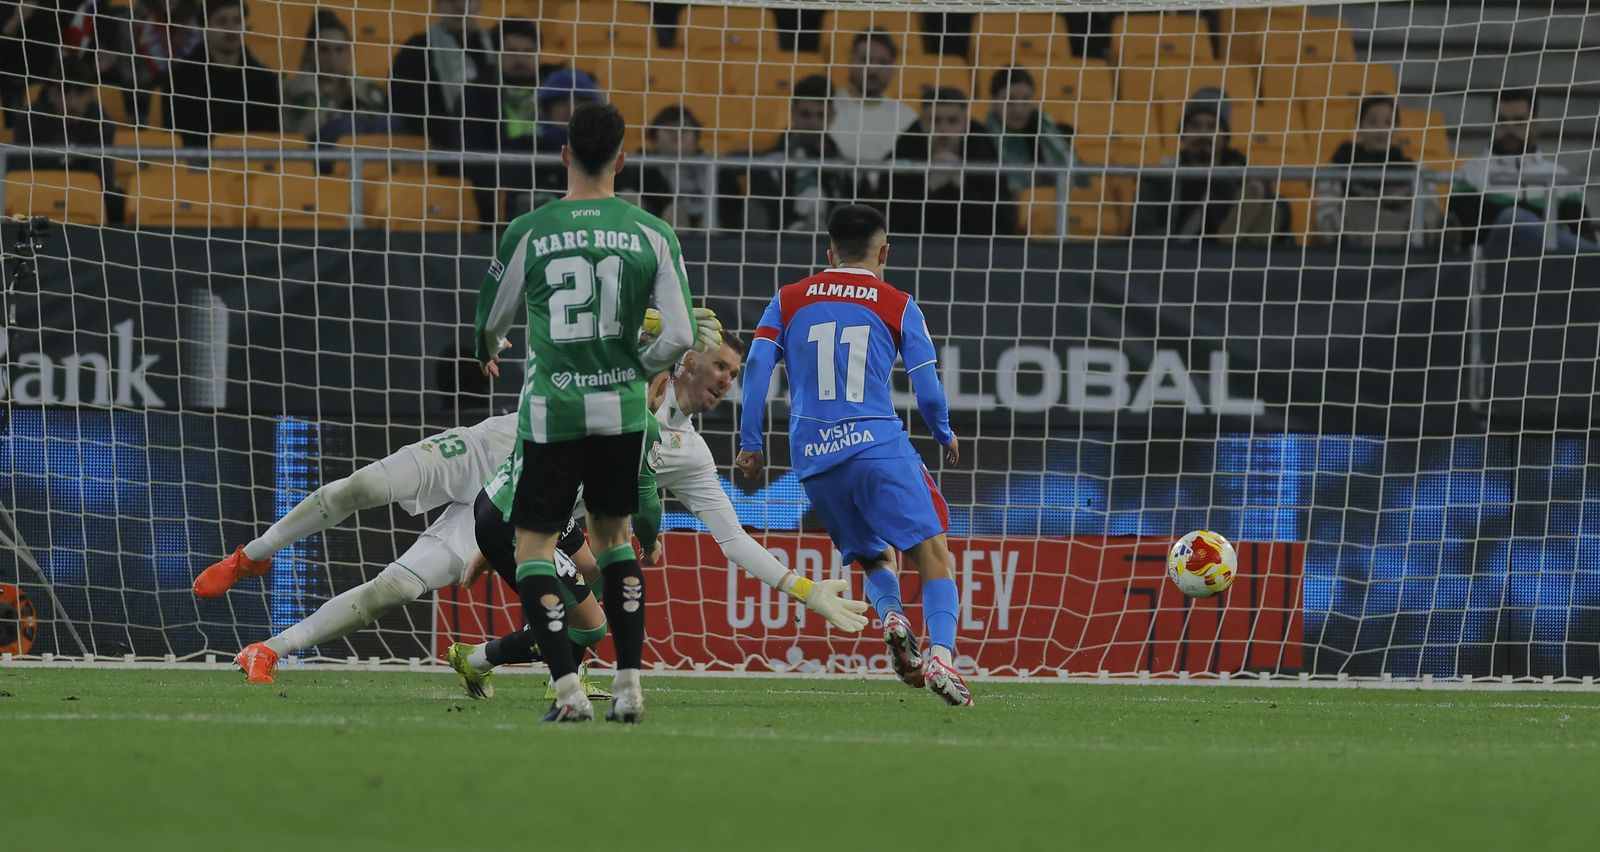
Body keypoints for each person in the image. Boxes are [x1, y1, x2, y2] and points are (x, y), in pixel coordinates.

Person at [471, 101, 707, 723]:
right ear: (623, 160)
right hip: (623, 410)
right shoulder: (652, 233)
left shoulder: (531, 229)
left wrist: (488, 348)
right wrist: (638, 364)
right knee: (615, 542)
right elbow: (681, 335)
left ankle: (569, 695)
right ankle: (629, 689)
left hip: (556, 410)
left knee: (533, 549)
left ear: (564, 155)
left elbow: (490, 319)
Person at [736, 204, 971, 707]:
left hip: (813, 457)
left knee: (870, 554)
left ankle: (891, 617)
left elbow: (756, 365)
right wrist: (943, 431)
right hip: (875, 443)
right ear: (884, 252)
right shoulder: (898, 303)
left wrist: (750, 441)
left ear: (829, 253)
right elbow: (927, 389)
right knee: (934, 557)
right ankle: (945, 659)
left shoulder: (789, 298)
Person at [1449, 88, 1599, 254]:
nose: (1509, 129)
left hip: (1549, 268)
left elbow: (1585, 235)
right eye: (1502, 121)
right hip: (1494, 264)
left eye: (1519, 122)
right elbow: (1469, 234)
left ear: (1535, 126)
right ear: (1492, 124)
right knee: (1512, 219)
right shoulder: (1470, 173)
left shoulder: (1559, 176)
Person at [1133, 91, 1286, 244]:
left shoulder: (1243, 173)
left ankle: (1233, 243)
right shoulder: (1162, 178)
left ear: (1224, 136)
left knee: (1274, 207)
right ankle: (1227, 243)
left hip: (1239, 256)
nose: (1203, 133)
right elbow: (1142, 232)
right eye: (1195, 125)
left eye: (1211, 126)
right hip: (1181, 250)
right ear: (1183, 134)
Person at [876, 86, 1013, 237]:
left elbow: (1001, 227)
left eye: (953, 121)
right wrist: (929, 187)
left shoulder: (985, 153)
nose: (944, 130)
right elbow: (888, 226)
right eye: (935, 120)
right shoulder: (902, 152)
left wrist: (962, 185)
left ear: (965, 124)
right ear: (922, 123)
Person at [731, 74, 852, 232]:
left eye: (820, 115)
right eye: (805, 114)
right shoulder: (770, 164)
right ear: (793, 113)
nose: (813, 123)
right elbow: (770, 216)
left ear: (832, 116)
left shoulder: (843, 167)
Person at [1315, 95, 1435, 248]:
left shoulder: (1415, 169)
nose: (1381, 130)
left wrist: (1406, 197)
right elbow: (1326, 221)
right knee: (1351, 211)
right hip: (1359, 237)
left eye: (1388, 123)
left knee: (1426, 211)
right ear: (1359, 127)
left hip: (1406, 234)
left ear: (1396, 129)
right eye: (1372, 122)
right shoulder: (1339, 167)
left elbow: (1430, 209)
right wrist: (1376, 200)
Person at [12, 60, 124, 221]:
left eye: (80, 93)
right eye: (64, 92)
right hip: (38, 197)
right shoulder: (28, 119)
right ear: (50, 93)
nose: (72, 102)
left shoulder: (101, 123)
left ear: (91, 94)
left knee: (117, 202)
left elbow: (102, 180)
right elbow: (20, 176)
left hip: (83, 198)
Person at [163, 0, 282, 145]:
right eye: (222, 21)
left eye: (237, 21)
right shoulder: (179, 79)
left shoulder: (265, 80)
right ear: (205, 27)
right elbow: (179, 138)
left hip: (250, 164)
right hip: (197, 164)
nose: (231, 28)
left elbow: (268, 139)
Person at [388, 0, 496, 153]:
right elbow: (407, 107)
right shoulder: (416, 50)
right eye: (451, 1)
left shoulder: (499, 48)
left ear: (479, 5)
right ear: (437, 5)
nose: (459, 7)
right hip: (439, 147)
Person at [281, 11, 391, 142]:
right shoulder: (297, 88)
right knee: (348, 124)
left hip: (368, 151)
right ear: (310, 53)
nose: (332, 59)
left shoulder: (364, 86)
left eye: (339, 50)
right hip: (315, 154)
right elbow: (307, 128)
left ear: (348, 52)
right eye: (324, 50)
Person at [983, 67, 1078, 196]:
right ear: (994, 101)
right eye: (1009, 101)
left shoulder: (1045, 126)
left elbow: (1078, 175)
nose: (1019, 110)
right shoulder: (982, 138)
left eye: (1026, 99)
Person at [828, 29, 917, 165]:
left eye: (882, 62)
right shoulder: (826, 108)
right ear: (850, 61)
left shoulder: (907, 117)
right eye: (865, 60)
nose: (873, 69)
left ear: (893, 69)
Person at [638, 104, 711, 230]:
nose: (677, 134)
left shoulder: (716, 170)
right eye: (669, 130)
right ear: (655, 139)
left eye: (684, 130)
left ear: (696, 139)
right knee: (674, 214)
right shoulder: (639, 169)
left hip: (711, 228)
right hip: (658, 231)